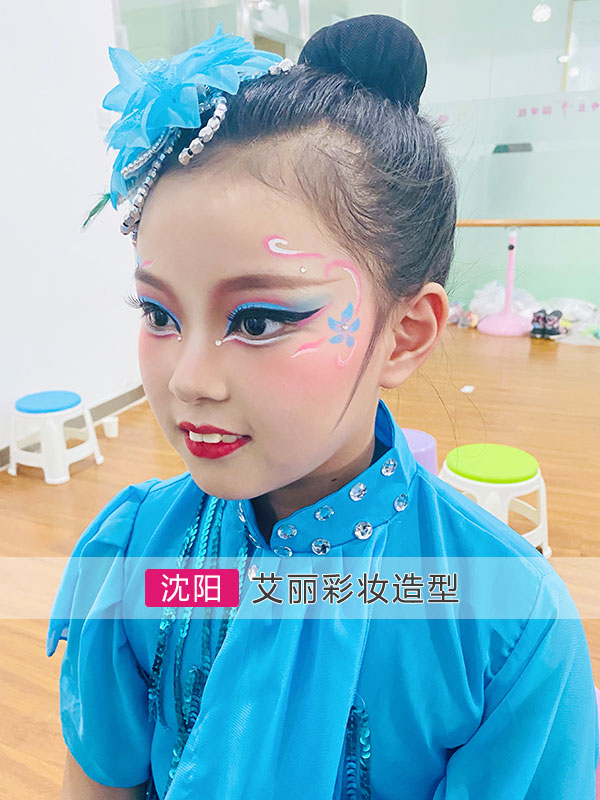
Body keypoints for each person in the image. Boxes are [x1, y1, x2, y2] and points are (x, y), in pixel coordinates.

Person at [47, 14, 599, 800]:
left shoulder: (504, 628)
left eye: (258, 321)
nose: (189, 380)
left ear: (405, 334)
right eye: (159, 314)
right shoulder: (139, 554)